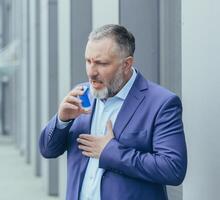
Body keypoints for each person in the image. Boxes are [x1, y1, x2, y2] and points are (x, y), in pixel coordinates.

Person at [39, 24, 187, 200]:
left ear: (126, 64)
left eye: (101, 63)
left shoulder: (161, 103)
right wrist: (61, 120)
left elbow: (173, 169)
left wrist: (111, 151)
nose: (91, 72)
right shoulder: (83, 95)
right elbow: (48, 151)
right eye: (88, 61)